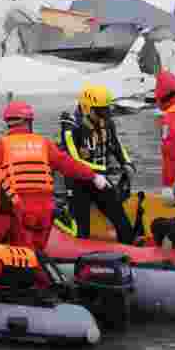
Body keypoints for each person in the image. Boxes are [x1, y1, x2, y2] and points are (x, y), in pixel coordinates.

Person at [0, 100, 107, 251]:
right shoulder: (43, 143)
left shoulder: (0, 145)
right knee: (38, 249)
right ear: (29, 121)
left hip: (18, 206)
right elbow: (68, 164)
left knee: (22, 252)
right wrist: (93, 176)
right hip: (45, 208)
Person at [57, 85, 137, 245]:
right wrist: (107, 170)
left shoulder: (107, 123)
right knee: (82, 231)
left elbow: (116, 145)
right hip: (78, 182)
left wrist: (126, 163)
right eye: (100, 111)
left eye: (106, 110)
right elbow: (73, 159)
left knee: (122, 223)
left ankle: (129, 249)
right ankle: (62, 219)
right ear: (87, 108)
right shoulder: (71, 127)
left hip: (100, 179)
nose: (104, 116)